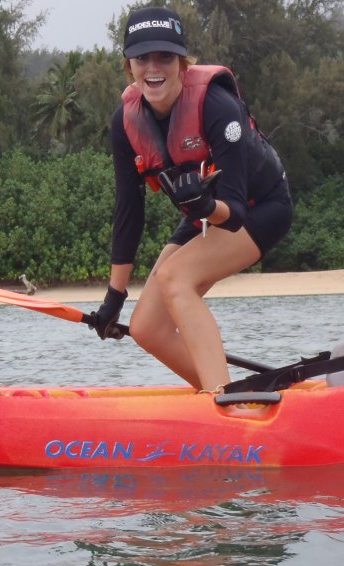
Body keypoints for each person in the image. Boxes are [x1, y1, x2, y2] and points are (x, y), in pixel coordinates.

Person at [88, 6, 292, 394]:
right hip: (204, 213)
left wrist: (202, 206)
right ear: (128, 66)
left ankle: (222, 399)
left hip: (259, 207)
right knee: (147, 328)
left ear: (183, 64)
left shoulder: (217, 106)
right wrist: (114, 297)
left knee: (175, 277)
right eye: (142, 58)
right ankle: (236, 396)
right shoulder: (125, 122)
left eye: (165, 57)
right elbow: (129, 212)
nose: (153, 68)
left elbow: (232, 215)